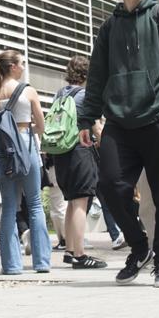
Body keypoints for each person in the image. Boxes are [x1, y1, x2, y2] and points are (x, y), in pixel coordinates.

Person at [77, 0, 159, 288]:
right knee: (109, 185)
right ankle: (139, 247)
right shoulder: (109, 27)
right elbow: (97, 75)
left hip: (157, 119)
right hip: (118, 123)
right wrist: (87, 118)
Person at [0, 50, 51, 275]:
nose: (23, 67)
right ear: (12, 66)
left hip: (2, 150)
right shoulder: (27, 90)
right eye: (22, 63)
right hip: (25, 144)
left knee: (9, 206)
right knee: (34, 203)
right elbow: (41, 126)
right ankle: (41, 262)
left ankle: (12, 265)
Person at [48, 56, 106, 269]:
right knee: (81, 202)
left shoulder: (60, 94)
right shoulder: (85, 95)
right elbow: (96, 127)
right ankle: (80, 255)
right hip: (80, 151)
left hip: (61, 152)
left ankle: (69, 250)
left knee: (72, 201)